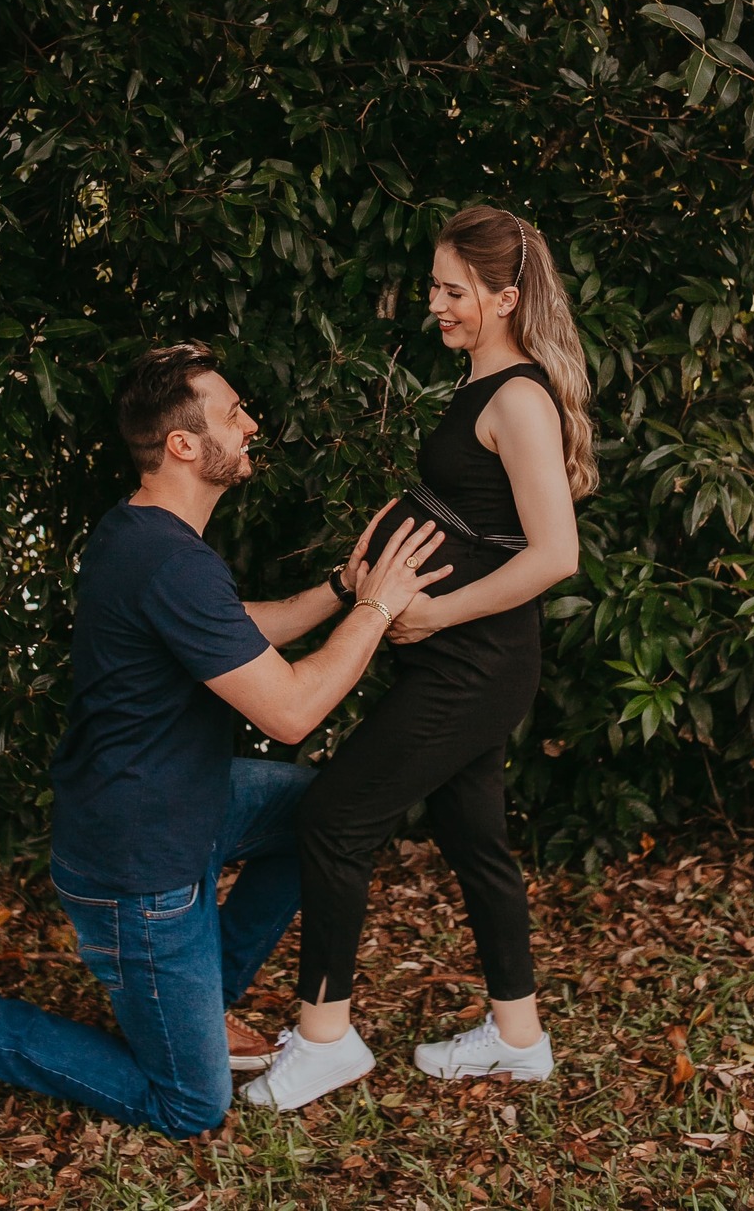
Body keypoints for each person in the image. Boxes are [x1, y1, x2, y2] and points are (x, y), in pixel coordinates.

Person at [0, 341, 450, 1138]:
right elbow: (289, 712)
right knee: (189, 1105)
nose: (251, 424)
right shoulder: (168, 561)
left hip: (184, 800)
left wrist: (340, 589)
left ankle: (198, 1005)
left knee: (330, 810)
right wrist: (379, 610)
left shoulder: (143, 534)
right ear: (184, 444)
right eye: (233, 413)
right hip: (138, 860)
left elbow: (232, 631)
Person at [243, 206, 597, 1111]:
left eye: (454, 290)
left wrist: (435, 612)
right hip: (464, 658)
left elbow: (556, 554)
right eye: (436, 286)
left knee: (333, 817)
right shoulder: (480, 388)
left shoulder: (516, 397)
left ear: (506, 297)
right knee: (473, 836)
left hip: (473, 663)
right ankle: (518, 1037)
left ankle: (326, 1037)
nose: (435, 304)